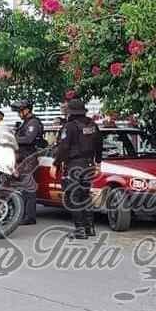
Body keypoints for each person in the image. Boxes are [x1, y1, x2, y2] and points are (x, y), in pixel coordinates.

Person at [50, 99, 103, 239]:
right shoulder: (92, 125)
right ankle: (89, 228)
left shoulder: (69, 127)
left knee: (73, 197)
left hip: (74, 165)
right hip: (89, 165)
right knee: (85, 196)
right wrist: (98, 163)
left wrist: (56, 164)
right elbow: (99, 144)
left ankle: (80, 230)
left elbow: (63, 148)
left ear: (71, 112)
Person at [12, 100, 44, 226]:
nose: (19, 114)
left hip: (29, 159)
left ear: (27, 110)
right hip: (23, 159)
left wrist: (13, 138)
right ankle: (24, 214)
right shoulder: (25, 123)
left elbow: (29, 139)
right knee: (24, 188)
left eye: (20, 111)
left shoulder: (33, 123)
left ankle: (30, 217)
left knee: (29, 188)